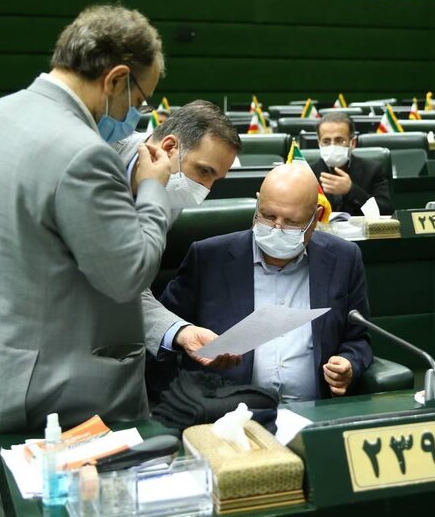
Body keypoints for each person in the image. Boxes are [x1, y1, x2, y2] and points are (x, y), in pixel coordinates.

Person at [0, 5, 229, 514]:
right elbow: (127, 274)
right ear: (116, 79)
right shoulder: (83, 153)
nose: (137, 115)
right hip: (46, 395)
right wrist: (153, 190)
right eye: (140, 99)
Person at [159, 164, 374, 401]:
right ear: (258, 203)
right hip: (226, 410)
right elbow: (165, 332)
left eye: (291, 221)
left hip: (314, 410)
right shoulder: (207, 258)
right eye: (268, 216)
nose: (276, 229)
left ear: (315, 218)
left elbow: (358, 338)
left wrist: (348, 363)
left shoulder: (343, 258)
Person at [310, 112, 393, 216]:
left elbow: (386, 211)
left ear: (352, 143)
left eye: (339, 141)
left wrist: (351, 190)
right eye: (326, 141)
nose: (332, 146)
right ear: (319, 143)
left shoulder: (373, 170)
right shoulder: (308, 173)